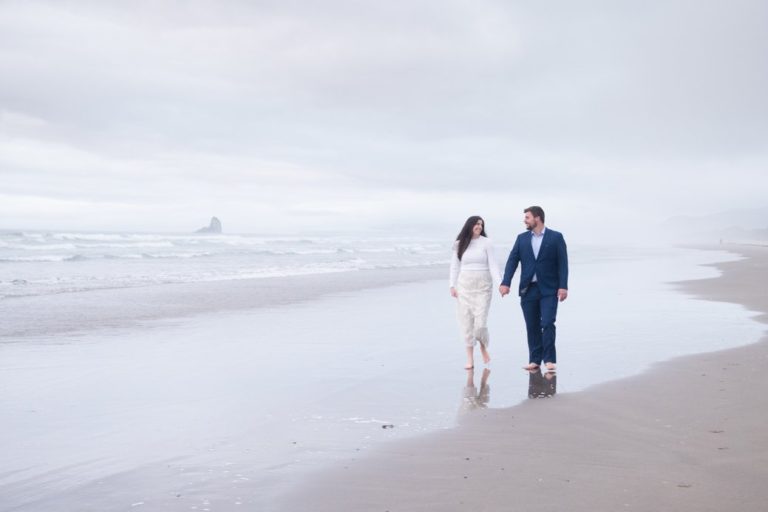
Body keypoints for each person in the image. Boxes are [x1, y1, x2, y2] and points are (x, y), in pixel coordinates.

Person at [499, 206, 568, 372]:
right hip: (528, 289)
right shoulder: (521, 238)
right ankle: (535, 359)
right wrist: (505, 282)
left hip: (549, 289)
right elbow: (512, 261)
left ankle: (549, 359)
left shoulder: (556, 237)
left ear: (537, 218)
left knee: (548, 322)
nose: (525, 220)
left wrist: (563, 286)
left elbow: (563, 264)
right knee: (532, 325)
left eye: (527, 217)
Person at [449, 216, 502, 369]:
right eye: (476, 223)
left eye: (481, 224)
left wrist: (500, 284)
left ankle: (483, 347)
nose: (479, 226)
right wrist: (452, 285)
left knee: (480, 323)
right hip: (464, 286)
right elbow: (454, 266)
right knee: (466, 323)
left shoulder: (487, 243)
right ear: (470, 225)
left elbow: (493, 265)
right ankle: (470, 359)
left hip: (483, 286)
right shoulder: (459, 244)